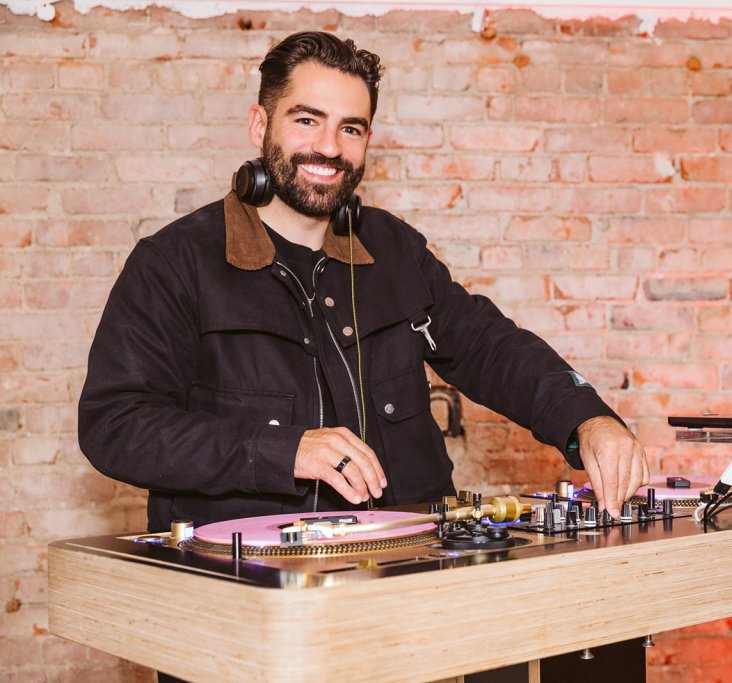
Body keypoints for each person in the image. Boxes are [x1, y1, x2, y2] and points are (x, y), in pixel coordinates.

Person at [78, 31, 648, 534]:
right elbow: (115, 425)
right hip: (251, 589)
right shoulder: (174, 263)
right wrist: (283, 450)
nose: (329, 148)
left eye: (350, 128)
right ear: (259, 125)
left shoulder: (393, 248)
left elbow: (487, 346)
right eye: (307, 120)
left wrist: (586, 419)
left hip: (410, 570)